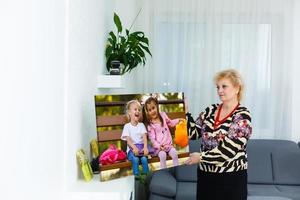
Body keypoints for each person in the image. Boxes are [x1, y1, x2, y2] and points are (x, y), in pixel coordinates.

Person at [184, 69, 252, 200]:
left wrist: (201, 157)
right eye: (218, 87)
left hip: (231, 179)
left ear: (237, 88)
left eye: (224, 86)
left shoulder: (242, 116)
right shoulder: (210, 110)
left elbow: (227, 151)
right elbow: (192, 133)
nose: (220, 91)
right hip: (205, 176)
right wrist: (185, 113)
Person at [143, 96, 180, 169]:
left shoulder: (163, 115)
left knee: (175, 153)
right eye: (150, 110)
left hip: (168, 145)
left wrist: (179, 120)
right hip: (159, 149)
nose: (152, 111)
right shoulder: (150, 125)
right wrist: (159, 146)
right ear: (148, 112)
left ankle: (178, 171)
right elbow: (152, 140)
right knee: (163, 155)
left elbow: (170, 123)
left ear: (157, 106)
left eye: (153, 108)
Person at [121, 100, 149, 176]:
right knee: (135, 159)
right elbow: (128, 140)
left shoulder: (141, 125)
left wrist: (145, 147)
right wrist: (134, 148)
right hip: (131, 150)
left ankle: (146, 175)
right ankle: (136, 177)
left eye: (139, 110)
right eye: (135, 109)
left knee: (144, 159)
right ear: (129, 113)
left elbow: (144, 137)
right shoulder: (127, 126)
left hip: (141, 149)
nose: (138, 111)